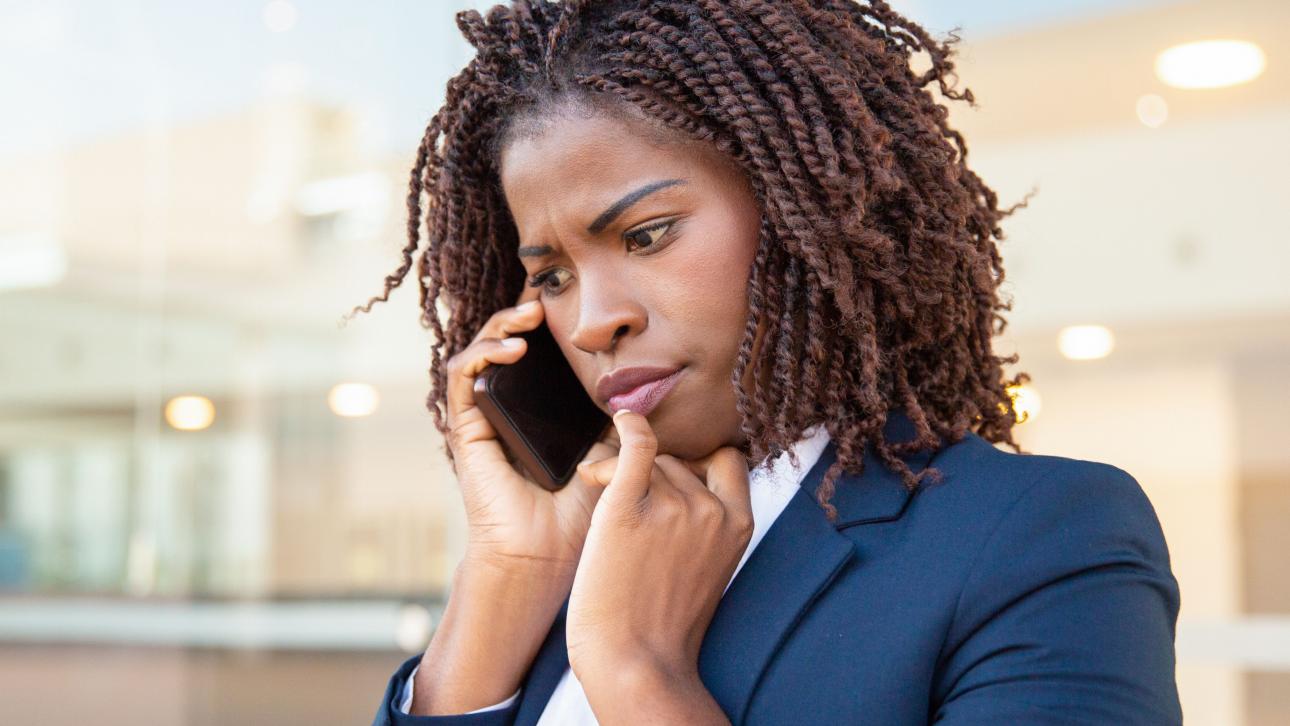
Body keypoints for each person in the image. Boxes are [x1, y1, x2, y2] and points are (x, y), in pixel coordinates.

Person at [357, 1, 1183, 723]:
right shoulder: (573, 562)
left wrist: (638, 674)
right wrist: (508, 577)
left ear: (806, 215)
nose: (592, 321)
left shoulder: (1041, 539)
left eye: (646, 235)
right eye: (552, 277)